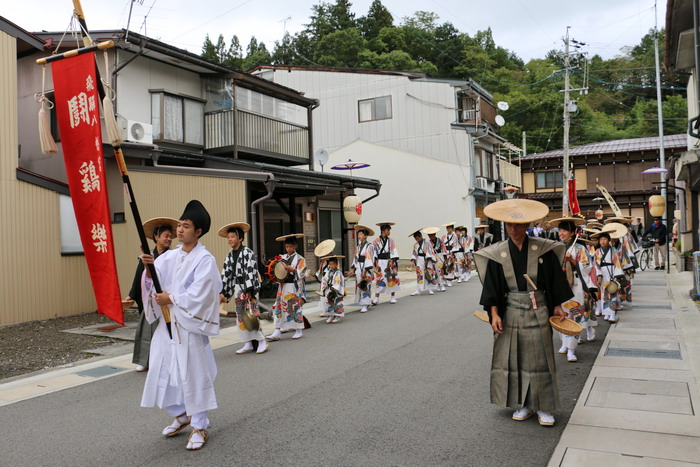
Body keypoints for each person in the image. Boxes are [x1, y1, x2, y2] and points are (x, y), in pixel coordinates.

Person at [474, 199, 573, 427]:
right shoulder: (498, 253)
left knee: (540, 358)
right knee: (514, 358)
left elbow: (554, 281)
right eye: (509, 225)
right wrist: (494, 313)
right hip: (511, 310)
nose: (513, 229)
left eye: (518, 225)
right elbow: (492, 286)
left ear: (528, 224)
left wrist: (558, 306)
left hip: (538, 308)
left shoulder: (543, 249)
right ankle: (523, 403)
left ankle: (544, 406)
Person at [139, 200, 221, 451]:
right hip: (167, 325)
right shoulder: (169, 257)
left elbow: (204, 294)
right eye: (179, 225)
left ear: (198, 231)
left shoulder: (205, 260)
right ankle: (181, 414)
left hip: (189, 327)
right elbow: (154, 285)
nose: (180, 230)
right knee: (162, 370)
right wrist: (148, 269)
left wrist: (172, 298)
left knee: (193, 374)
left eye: (186, 226)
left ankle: (199, 425)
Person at [126, 217, 177, 372]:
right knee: (147, 331)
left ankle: (164, 360)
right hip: (151, 299)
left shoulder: (173, 256)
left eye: (170, 236)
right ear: (156, 237)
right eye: (165, 236)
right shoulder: (149, 255)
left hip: (165, 299)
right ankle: (144, 360)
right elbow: (139, 275)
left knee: (166, 332)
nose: (169, 239)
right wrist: (132, 295)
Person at [550, 216, 597, 362]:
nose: (561, 233)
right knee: (562, 314)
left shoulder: (580, 248)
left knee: (575, 315)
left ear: (572, 233)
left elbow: (587, 267)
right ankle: (564, 342)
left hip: (575, 284)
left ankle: (571, 349)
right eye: (560, 230)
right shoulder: (557, 247)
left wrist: (572, 260)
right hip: (561, 285)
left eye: (564, 230)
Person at [218, 222, 267, 355]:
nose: (230, 240)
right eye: (228, 237)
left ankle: (261, 340)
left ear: (240, 238)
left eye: (233, 237)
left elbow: (251, 271)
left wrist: (249, 290)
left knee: (252, 313)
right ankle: (248, 343)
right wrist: (223, 292)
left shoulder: (247, 252)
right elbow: (226, 274)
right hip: (237, 287)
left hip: (248, 288)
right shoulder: (229, 256)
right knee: (241, 316)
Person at [267, 234, 307, 341]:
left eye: (291, 246)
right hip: (282, 285)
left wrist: (293, 270)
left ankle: (298, 330)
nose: (288, 249)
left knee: (294, 306)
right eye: (287, 246)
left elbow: (303, 273)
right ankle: (277, 330)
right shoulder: (283, 257)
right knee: (279, 306)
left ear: (295, 246)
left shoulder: (300, 259)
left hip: (293, 286)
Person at [592, 230, 624, 323]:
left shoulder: (613, 250)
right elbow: (596, 264)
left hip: (612, 271)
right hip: (602, 272)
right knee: (603, 294)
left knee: (612, 292)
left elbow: (617, 262)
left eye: (605, 239)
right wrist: (599, 275)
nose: (603, 241)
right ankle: (606, 313)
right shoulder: (598, 251)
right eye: (601, 239)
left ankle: (612, 314)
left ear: (609, 240)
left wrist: (616, 276)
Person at [372, 223, 401, 305]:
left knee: (392, 278)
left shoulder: (391, 241)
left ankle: (393, 297)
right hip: (380, 261)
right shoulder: (376, 241)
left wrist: (392, 260)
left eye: (389, 230)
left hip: (389, 261)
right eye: (388, 230)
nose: (389, 232)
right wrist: (376, 263)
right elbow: (374, 253)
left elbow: (393, 251)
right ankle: (376, 298)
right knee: (380, 279)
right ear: (382, 231)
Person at [349, 225, 374, 313]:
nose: (359, 236)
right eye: (359, 234)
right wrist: (353, 269)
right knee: (360, 285)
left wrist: (366, 270)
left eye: (361, 234)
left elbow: (369, 259)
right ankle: (364, 303)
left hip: (365, 268)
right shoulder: (358, 247)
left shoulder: (369, 246)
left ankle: (365, 304)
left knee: (365, 285)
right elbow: (355, 258)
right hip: (358, 267)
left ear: (366, 236)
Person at [410, 229, 437, 296]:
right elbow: (414, 253)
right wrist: (413, 261)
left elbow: (430, 252)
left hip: (427, 259)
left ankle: (430, 288)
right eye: (415, 239)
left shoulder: (427, 242)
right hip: (419, 259)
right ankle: (419, 289)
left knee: (428, 273)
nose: (417, 240)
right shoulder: (415, 245)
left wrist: (427, 261)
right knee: (419, 274)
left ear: (421, 236)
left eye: (418, 238)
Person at [321, 255, 345, 323]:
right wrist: (324, 285)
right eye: (330, 264)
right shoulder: (328, 272)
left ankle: (337, 316)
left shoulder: (338, 272)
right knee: (329, 302)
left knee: (337, 302)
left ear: (336, 264)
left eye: (333, 264)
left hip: (335, 290)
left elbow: (338, 282)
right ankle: (330, 315)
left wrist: (334, 288)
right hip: (329, 289)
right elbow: (324, 279)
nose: (331, 266)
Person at [441, 222, 459, 287]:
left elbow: (455, 244)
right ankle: (445, 279)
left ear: (452, 229)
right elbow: (442, 245)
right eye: (448, 228)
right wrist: (445, 252)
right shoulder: (443, 236)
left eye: (450, 228)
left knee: (450, 266)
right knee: (444, 266)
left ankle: (449, 280)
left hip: (451, 252)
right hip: (445, 253)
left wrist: (452, 253)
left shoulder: (455, 236)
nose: (449, 229)